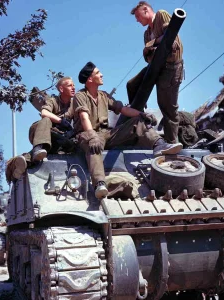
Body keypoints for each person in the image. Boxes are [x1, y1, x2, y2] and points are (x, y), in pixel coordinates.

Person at [73, 62, 182, 199]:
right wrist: (92, 135)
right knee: (93, 146)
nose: (101, 75)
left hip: (106, 134)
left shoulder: (104, 96)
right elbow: (84, 117)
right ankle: (99, 183)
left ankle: (159, 145)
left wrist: (141, 115)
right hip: (87, 134)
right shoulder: (80, 96)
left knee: (137, 122)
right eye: (97, 73)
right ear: (90, 79)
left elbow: (123, 109)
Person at [127, 1, 184, 145]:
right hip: (155, 66)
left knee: (167, 106)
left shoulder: (161, 15)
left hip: (171, 68)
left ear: (146, 10)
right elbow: (147, 57)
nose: (137, 20)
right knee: (132, 84)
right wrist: (153, 45)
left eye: (138, 17)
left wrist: (151, 45)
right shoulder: (147, 33)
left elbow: (170, 38)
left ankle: (172, 142)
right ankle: (140, 116)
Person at [29, 76, 76, 161]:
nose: (73, 88)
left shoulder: (74, 104)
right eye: (70, 85)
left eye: (74, 85)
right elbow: (44, 113)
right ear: (61, 89)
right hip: (39, 131)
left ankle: (23, 160)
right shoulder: (53, 100)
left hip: (56, 137)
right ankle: (38, 147)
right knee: (46, 119)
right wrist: (61, 121)